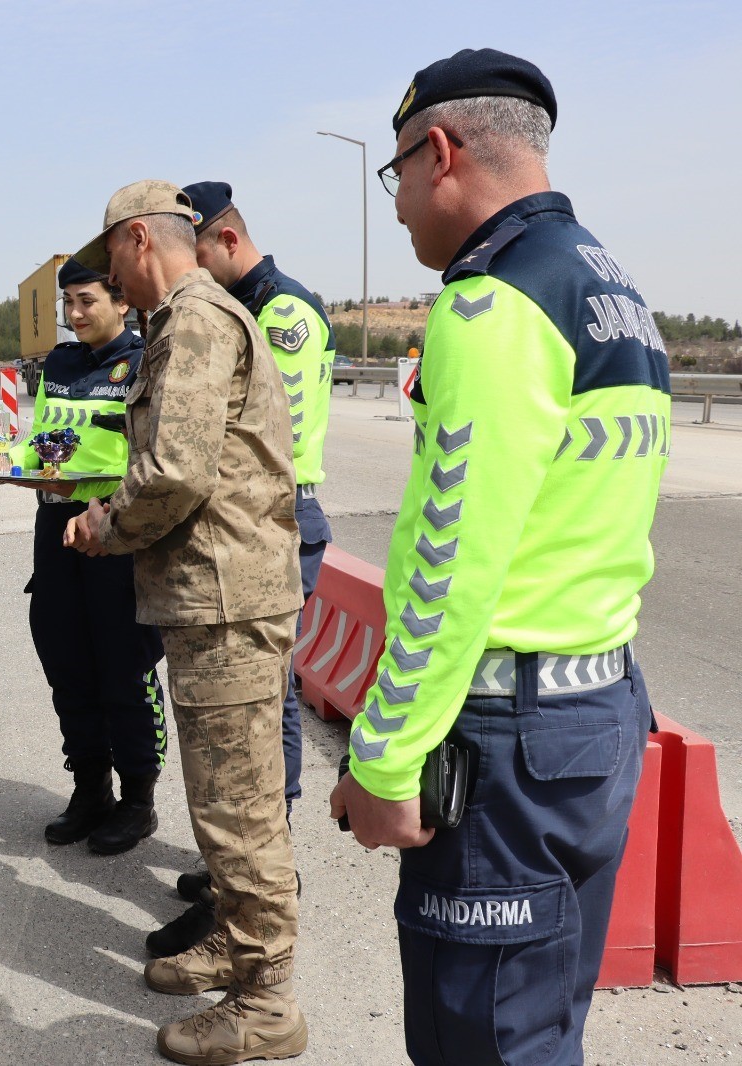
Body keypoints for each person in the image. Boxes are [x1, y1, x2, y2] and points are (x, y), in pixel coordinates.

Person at [328, 49, 669, 1065]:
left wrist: (385, 754)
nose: (394, 210)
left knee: (480, 1038)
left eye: (393, 177)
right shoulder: (610, 287)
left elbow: (452, 566)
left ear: (438, 151)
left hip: (504, 746)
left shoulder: (490, 305)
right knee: (540, 1027)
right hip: (595, 718)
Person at [64, 180, 306, 1063]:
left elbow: (172, 472)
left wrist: (101, 524)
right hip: (214, 596)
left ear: (139, 240)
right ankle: (239, 949)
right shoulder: (188, 319)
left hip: (228, 600)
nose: (108, 286)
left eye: (108, 266)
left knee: (240, 812)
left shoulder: (195, 320)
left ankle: (266, 999)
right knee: (221, 800)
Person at [147, 180, 339, 958]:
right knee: (257, 704)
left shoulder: (281, 315)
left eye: (195, 259)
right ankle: (245, 864)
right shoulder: (241, 311)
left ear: (224, 240)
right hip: (254, 522)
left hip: (277, 520)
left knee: (268, 700)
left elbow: (250, 436)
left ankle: (267, 862)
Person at [13, 258, 166, 855]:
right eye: (68, 304)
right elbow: (42, 441)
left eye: (87, 301)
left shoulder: (146, 360)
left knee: (124, 670)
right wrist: (24, 471)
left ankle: (137, 800)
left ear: (121, 301)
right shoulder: (59, 361)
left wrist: (106, 505)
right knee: (67, 661)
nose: (75, 314)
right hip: (57, 530)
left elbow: (155, 455)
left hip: (116, 534)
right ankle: (89, 788)